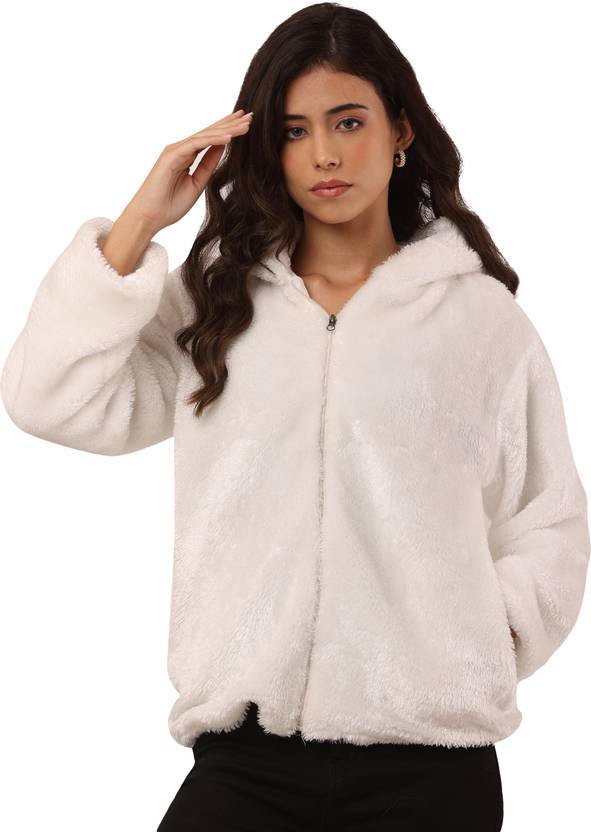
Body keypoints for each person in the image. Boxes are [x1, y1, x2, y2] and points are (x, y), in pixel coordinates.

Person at [1, 3, 589, 830]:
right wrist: (141, 221)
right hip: (247, 756)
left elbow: (548, 518)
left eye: (347, 122)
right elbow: (47, 397)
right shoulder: (217, 302)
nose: (323, 154)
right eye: (291, 131)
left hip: (430, 761)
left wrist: (481, 642)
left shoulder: (480, 322)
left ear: (399, 130)